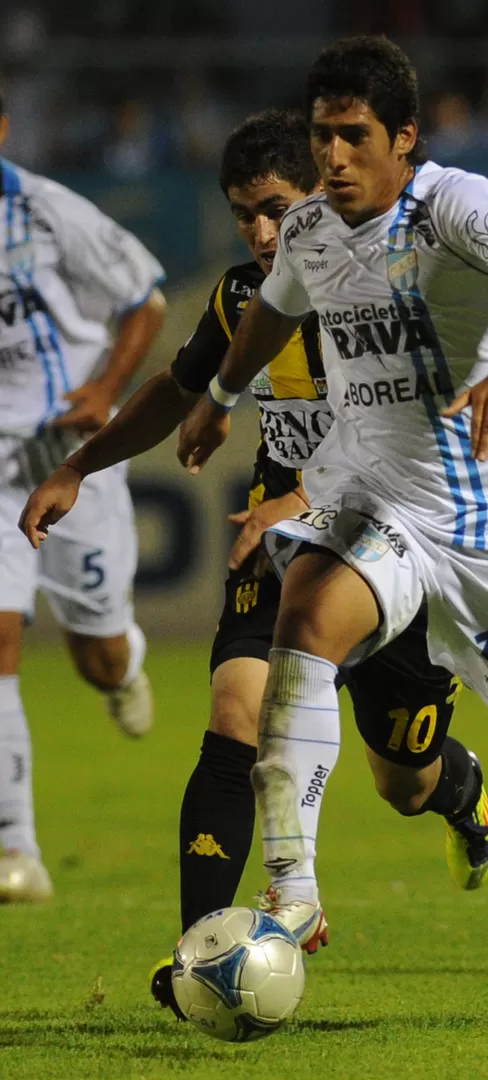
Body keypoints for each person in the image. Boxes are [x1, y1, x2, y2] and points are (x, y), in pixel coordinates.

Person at [19, 111, 488, 983]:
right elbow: (182, 383)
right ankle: (200, 954)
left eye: (276, 207)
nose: (262, 232)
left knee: (406, 782)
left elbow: (414, 434)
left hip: (393, 534)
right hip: (279, 543)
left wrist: (307, 492)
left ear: (319, 190)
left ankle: (460, 792)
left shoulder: (389, 289)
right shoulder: (246, 296)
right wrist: (80, 465)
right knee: (235, 715)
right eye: (244, 214)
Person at [172, 35, 488, 949]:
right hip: (384, 500)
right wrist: (217, 397)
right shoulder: (308, 231)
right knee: (304, 620)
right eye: (323, 135)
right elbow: (274, 309)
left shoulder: (457, 207)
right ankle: (292, 893)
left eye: (353, 136)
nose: (332, 157)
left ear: (404, 137)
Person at [0, 89, 166, 901]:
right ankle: (15, 850)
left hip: (70, 459)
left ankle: (123, 663)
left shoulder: (47, 211)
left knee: (95, 655)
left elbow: (147, 297)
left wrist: (107, 386)